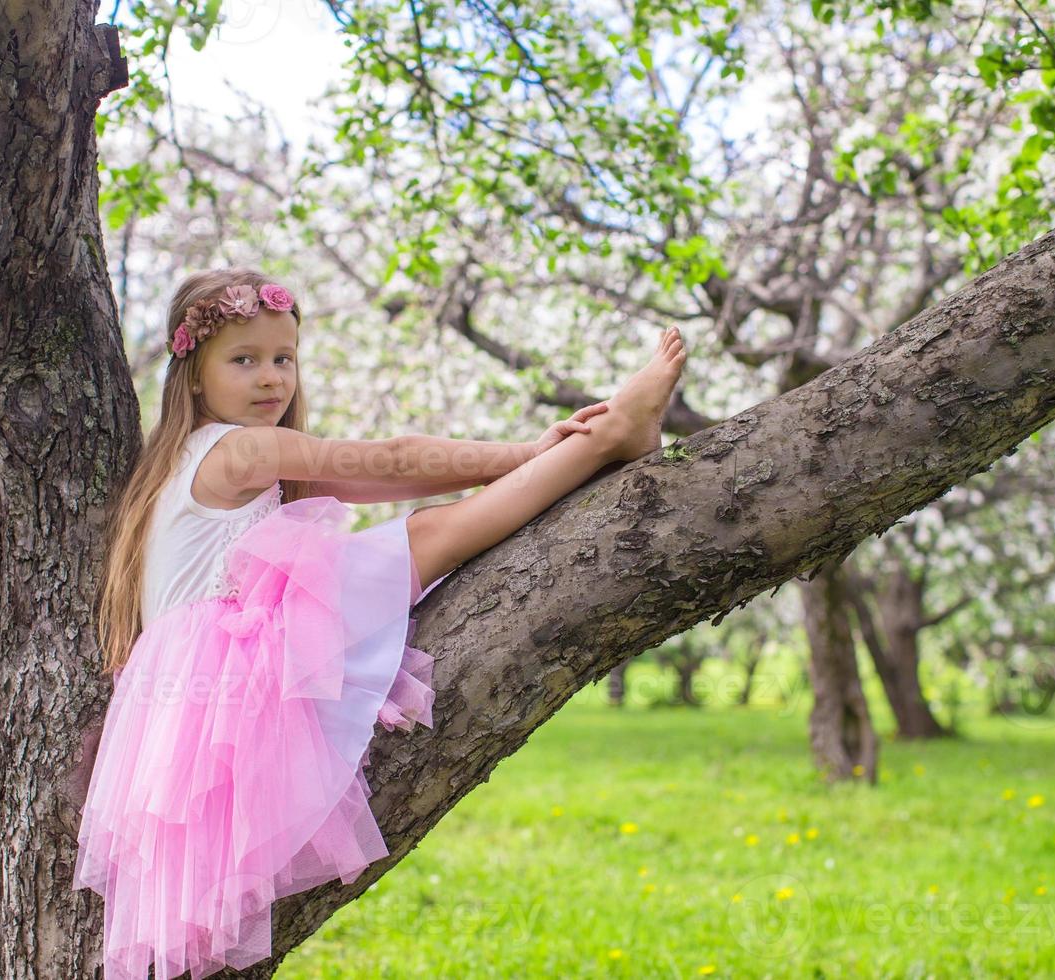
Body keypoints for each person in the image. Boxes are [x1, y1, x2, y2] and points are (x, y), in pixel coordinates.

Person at [72, 266, 686, 979]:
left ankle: (614, 435)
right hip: (231, 662)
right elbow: (387, 463)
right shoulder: (241, 447)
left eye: (284, 359)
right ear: (195, 377)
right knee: (427, 537)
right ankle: (610, 435)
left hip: (189, 694)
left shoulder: (175, 457)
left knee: (421, 540)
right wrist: (523, 453)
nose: (271, 378)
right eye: (244, 361)